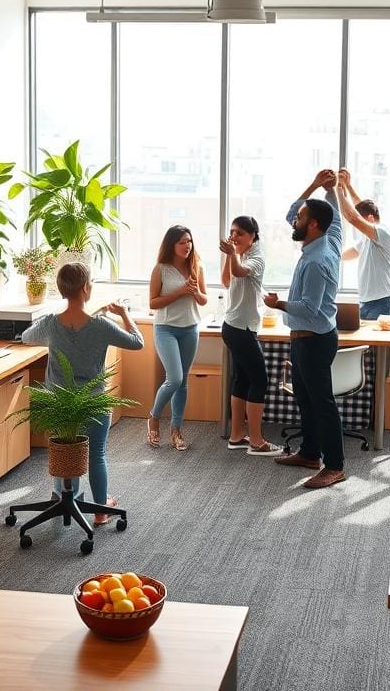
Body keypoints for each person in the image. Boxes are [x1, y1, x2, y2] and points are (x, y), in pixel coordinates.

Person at [19, 263, 144, 527]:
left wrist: (50, 322)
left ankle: (61, 497)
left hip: (58, 404)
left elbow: (26, 337)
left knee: (64, 447)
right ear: (86, 288)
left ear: (62, 289)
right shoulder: (101, 326)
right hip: (93, 403)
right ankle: (100, 511)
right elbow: (137, 341)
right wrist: (123, 314)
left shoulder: (52, 324)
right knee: (96, 453)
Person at [264, 169, 347, 489]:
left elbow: (310, 308)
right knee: (306, 399)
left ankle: (335, 465)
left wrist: (278, 305)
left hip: (313, 339)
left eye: (300, 218)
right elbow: (326, 215)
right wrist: (326, 188)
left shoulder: (317, 260)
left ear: (312, 224)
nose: (293, 220)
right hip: (307, 339)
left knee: (321, 403)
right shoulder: (330, 234)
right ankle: (310, 453)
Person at [219, 216, 282, 456]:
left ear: (253, 236)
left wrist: (231, 253)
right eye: (232, 232)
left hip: (240, 327)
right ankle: (256, 442)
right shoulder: (239, 254)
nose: (234, 237)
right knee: (259, 381)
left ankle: (237, 437)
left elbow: (239, 271)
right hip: (239, 328)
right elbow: (226, 280)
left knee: (243, 381)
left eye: (240, 234)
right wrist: (230, 253)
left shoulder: (256, 257)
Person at [147, 225, 208, 452]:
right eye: (182, 242)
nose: (187, 246)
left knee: (183, 382)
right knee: (174, 378)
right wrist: (180, 292)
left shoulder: (197, 266)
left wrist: (193, 292)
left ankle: (176, 430)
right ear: (172, 245)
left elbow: (203, 300)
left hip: (190, 327)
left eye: (189, 241)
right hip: (166, 329)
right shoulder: (160, 269)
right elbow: (152, 303)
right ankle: (154, 418)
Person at [336, 167, 390, 320]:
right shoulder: (367, 237)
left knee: (377, 344)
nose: (358, 226)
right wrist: (348, 186)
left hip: (383, 303)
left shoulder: (383, 233)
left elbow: (353, 217)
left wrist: (338, 189)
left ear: (370, 219)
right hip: (365, 303)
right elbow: (354, 252)